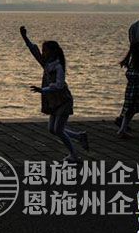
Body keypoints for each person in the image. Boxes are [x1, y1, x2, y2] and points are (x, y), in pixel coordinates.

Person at [20, 26, 88, 162]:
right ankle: (79, 136)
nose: (43, 53)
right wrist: (25, 37)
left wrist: (43, 90)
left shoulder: (58, 67)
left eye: (45, 50)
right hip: (54, 102)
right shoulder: (46, 64)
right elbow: (33, 50)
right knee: (52, 129)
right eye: (43, 50)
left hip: (63, 101)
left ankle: (74, 155)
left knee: (58, 130)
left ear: (52, 53)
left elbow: (59, 85)